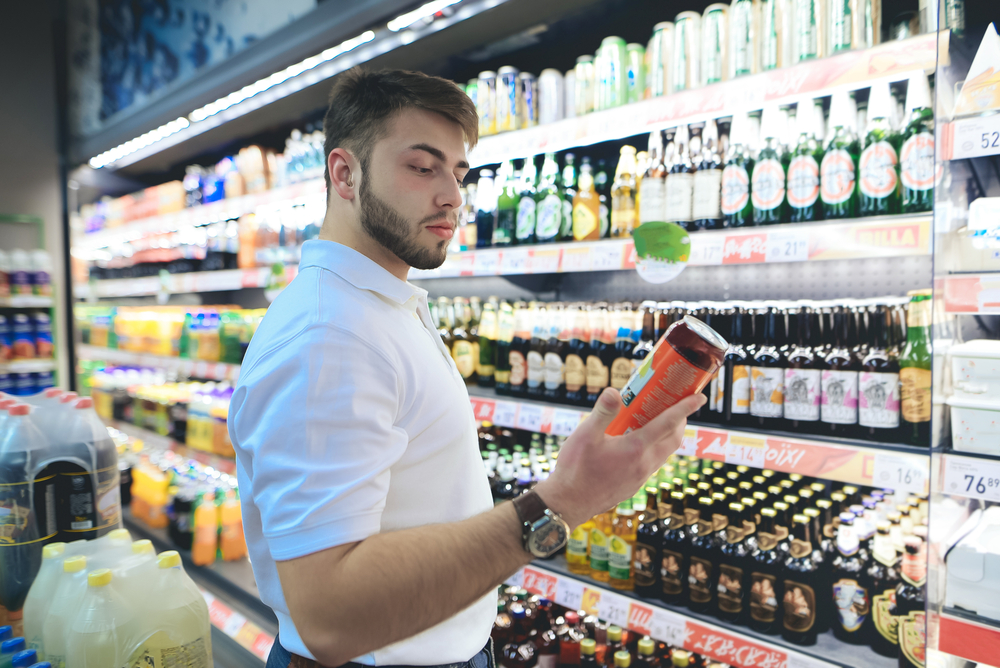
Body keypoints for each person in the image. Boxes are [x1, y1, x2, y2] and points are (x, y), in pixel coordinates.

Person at [228, 68, 704, 668]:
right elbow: (329, 615)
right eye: (422, 168)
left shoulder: (379, 305)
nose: (453, 196)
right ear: (344, 174)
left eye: (459, 173)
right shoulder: (331, 334)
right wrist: (561, 500)